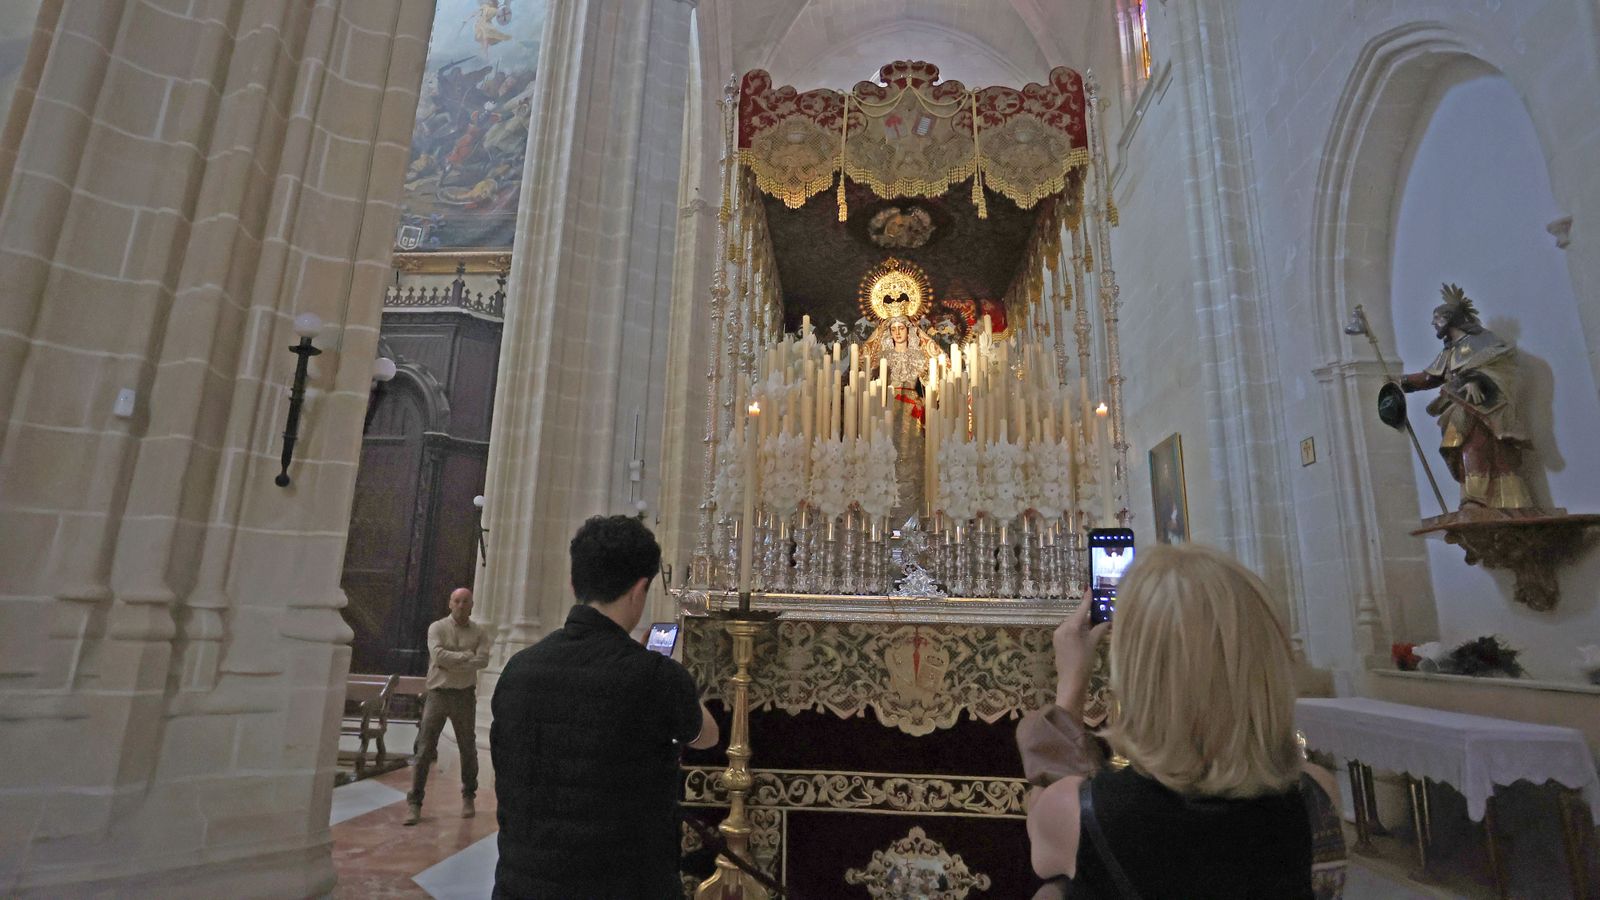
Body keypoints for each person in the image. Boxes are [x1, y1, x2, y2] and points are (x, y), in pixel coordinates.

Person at [1019, 544, 1338, 899]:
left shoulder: (1076, 810)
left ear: (1139, 677)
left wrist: (1071, 686)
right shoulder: (1319, 797)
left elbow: (1042, 851)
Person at [491, 516, 720, 899]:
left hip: (522, 885)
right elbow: (706, 736)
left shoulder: (518, 669)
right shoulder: (655, 676)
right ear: (640, 589)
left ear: (573, 583)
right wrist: (675, 678)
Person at [1399, 283, 1533, 510]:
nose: (1433, 323)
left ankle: (1486, 499)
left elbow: (1502, 366)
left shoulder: (1482, 341)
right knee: (1464, 447)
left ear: (1450, 318)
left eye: (1437, 318)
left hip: (1487, 409)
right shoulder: (1449, 351)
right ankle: (1475, 497)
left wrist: (1477, 380)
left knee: (1487, 448)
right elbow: (1431, 377)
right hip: (1461, 408)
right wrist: (1400, 381)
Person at [406, 587, 492, 825]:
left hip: (464, 696)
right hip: (438, 694)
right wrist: (466, 657)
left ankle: (468, 796)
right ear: (450, 603)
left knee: (468, 747)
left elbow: (483, 660)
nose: (461, 605)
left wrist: (453, 660)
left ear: (472, 604)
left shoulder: (479, 631)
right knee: (424, 749)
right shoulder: (437, 628)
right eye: (457, 600)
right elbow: (438, 656)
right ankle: (414, 803)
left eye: (466, 601)